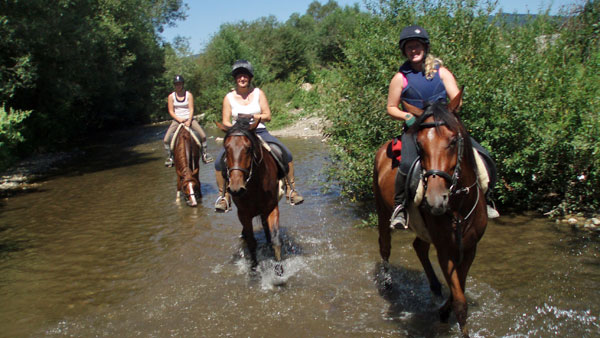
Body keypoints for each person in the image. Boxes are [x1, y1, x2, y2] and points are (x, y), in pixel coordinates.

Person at [387, 25, 499, 229]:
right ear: (405, 51)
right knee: (406, 165)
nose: (414, 50)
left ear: (425, 48)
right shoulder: (400, 78)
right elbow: (391, 107)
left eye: (417, 46)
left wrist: (444, 112)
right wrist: (407, 116)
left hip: (443, 126)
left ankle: (487, 198)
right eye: (410, 47)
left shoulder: (442, 72)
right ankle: (400, 208)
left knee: (482, 155)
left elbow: (457, 99)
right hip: (417, 130)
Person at [214, 59, 304, 212]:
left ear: (250, 78)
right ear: (235, 78)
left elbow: (267, 115)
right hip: (239, 134)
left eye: (245, 76)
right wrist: (239, 127)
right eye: (239, 76)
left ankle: (291, 190)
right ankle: (224, 197)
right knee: (218, 162)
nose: (242, 79)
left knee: (286, 153)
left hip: (259, 131)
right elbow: (225, 122)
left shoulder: (258, 93)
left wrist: (251, 117)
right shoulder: (228, 97)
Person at [163, 75, 213, 167]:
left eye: (180, 84)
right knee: (166, 139)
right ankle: (170, 157)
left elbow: (191, 109)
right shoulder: (171, 96)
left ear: (182, 84)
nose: (178, 86)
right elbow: (171, 111)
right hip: (177, 120)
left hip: (189, 119)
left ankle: (205, 154)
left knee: (203, 135)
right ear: (174, 85)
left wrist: (189, 120)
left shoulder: (189, 95)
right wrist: (179, 119)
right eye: (176, 84)